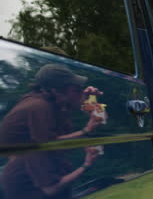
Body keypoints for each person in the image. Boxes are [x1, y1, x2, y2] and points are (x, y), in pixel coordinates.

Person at [0, 63, 103, 199]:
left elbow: (100, 118)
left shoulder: (56, 105)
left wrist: (92, 99)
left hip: (40, 173)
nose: (81, 92)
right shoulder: (38, 107)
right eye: (76, 89)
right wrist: (86, 131)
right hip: (29, 185)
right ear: (56, 91)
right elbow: (48, 142)